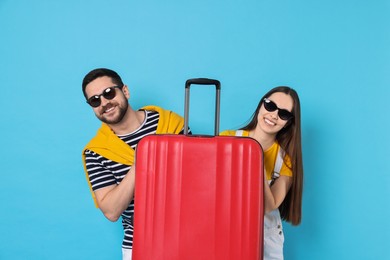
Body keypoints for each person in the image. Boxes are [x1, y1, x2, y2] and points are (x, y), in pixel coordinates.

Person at [81, 68, 188, 260]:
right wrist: (140, 163)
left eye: (109, 93)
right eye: (95, 100)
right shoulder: (97, 152)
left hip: (188, 237)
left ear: (125, 91)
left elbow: (194, 179)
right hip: (139, 245)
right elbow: (112, 211)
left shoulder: (172, 124)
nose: (105, 103)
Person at [220, 86, 303, 260]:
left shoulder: (284, 161)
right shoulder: (226, 139)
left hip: (264, 235)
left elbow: (268, 206)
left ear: (288, 122)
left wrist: (255, 158)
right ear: (261, 106)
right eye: (270, 106)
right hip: (224, 226)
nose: (273, 115)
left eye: (284, 114)